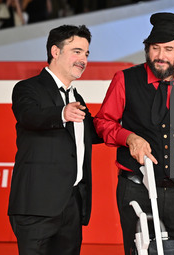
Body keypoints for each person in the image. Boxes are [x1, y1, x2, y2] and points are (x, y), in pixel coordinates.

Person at [94, 12, 174, 255]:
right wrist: (128, 137)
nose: (160, 56)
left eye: (169, 49)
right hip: (136, 189)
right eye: (155, 48)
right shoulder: (125, 79)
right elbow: (102, 122)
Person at [8, 24, 102, 255]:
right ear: (55, 51)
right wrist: (61, 114)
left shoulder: (75, 96)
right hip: (37, 206)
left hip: (71, 205)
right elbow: (29, 116)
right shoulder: (28, 88)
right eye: (77, 51)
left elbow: (94, 132)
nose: (83, 59)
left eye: (86, 54)